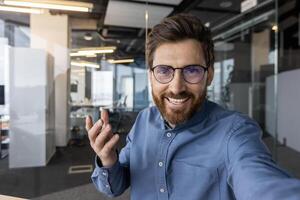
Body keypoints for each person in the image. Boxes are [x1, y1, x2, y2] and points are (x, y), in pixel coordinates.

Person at [85, 14, 300, 200]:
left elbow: (262, 184)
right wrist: (108, 160)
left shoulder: (234, 132)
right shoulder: (143, 121)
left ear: (210, 75)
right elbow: (115, 187)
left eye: (192, 70)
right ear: (151, 76)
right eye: (164, 70)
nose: (177, 87)